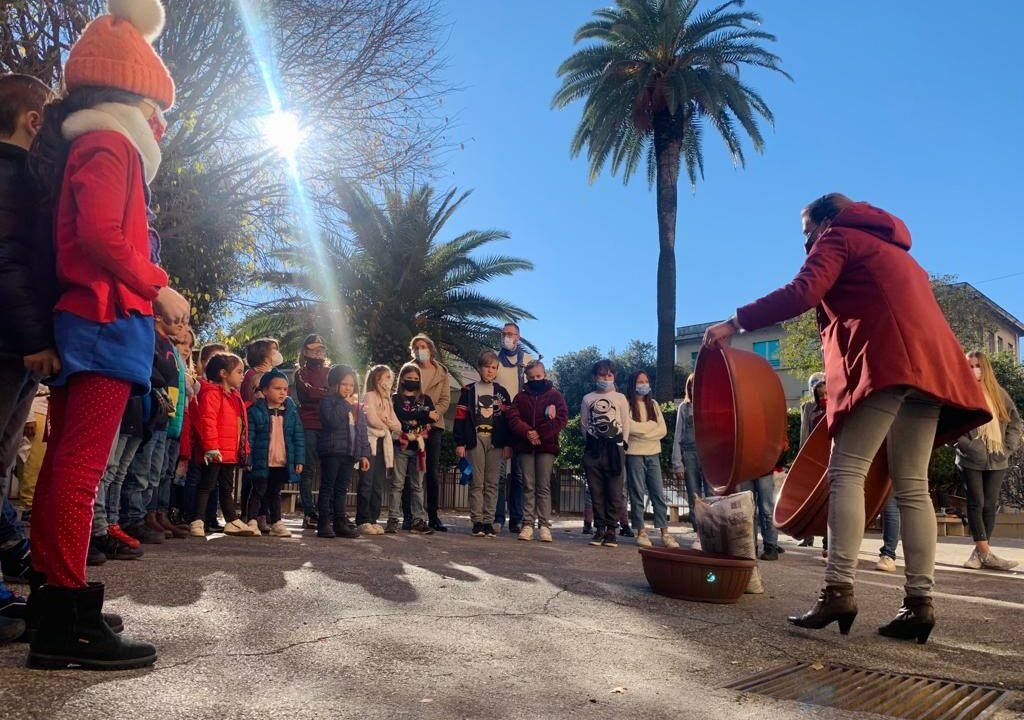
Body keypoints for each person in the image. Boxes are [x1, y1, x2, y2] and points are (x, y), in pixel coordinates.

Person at [703, 193, 989, 645]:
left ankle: (838, 590)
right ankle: (919, 604)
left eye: (806, 233)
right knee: (912, 484)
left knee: (846, 472)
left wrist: (734, 322)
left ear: (824, 221)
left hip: (888, 363)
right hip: (934, 370)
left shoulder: (838, 238)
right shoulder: (898, 254)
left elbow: (803, 291)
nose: (806, 244)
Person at [25, 0, 190, 670]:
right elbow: (99, 234)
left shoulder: (97, 139)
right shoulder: (111, 141)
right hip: (102, 316)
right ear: (133, 95)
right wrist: (158, 284)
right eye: (157, 108)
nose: (160, 124)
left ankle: (53, 604)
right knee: (80, 468)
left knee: (70, 463)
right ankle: (65, 614)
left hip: (94, 317)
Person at [0, 74, 52, 632]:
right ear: (34, 121)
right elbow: (7, 263)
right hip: (11, 339)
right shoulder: (11, 177)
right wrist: (37, 337)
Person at [119, 313, 184, 544]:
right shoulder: (151, 338)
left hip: (164, 416)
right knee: (138, 471)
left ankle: (150, 514)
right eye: (177, 319)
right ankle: (132, 517)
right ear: (158, 316)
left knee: (154, 472)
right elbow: (155, 372)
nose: (181, 325)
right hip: (149, 410)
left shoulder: (168, 344)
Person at [955, 350, 1022, 571]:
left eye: (978, 366)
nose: (974, 370)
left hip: (997, 458)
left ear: (986, 369)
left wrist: (1008, 447)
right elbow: (949, 427)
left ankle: (980, 553)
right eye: (970, 366)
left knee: (990, 505)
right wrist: (969, 446)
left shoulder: (999, 394)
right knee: (976, 502)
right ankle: (985, 553)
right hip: (970, 458)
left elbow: (1014, 422)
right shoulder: (959, 391)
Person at [187, 353, 254, 537]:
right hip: (215, 450)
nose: (242, 376)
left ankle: (231, 519)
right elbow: (207, 420)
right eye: (239, 371)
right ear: (224, 373)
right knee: (207, 485)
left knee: (226, 487)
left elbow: (240, 426)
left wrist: (243, 448)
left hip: (229, 451)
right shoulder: (211, 393)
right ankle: (197, 520)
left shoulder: (234, 396)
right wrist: (210, 446)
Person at [506, 361, 568, 542]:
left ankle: (544, 525)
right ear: (526, 378)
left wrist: (539, 433)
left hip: (546, 447)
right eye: (531, 377)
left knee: (543, 486)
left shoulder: (555, 395)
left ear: (545, 375)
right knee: (528, 485)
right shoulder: (520, 398)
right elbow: (513, 417)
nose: (535, 380)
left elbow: (562, 418)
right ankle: (527, 524)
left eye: (538, 376)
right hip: (525, 447)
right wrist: (527, 433)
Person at [454, 350, 512, 537]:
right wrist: (460, 442)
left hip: (496, 442)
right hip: (474, 440)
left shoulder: (502, 393)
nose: (490, 370)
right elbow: (460, 418)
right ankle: (477, 521)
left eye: (494, 367)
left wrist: (508, 444)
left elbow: (508, 420)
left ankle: (489, 521)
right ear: (479, 368)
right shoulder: (468, 391)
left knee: (492, 483)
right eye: (487, 366)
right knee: (477, 482)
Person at [245, 369, 304, 539]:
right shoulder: (256, 411)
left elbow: (298, 436)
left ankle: (277, 522)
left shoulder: (291, 412)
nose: (282, 392)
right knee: (258, 491)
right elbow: (250, 436)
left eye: (285, 389)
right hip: (262, 460)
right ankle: (252, 521)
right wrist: (248, 458)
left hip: (281, 460)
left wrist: (299, 460)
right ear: (264, 391)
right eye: (277, 388)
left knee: (275, 492)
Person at [581, 359, 631, 549]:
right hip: (594, 449)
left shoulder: (620, 398)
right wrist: (592, 442)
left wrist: (622, 444)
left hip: (615, 448)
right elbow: (584, 424)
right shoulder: (588, 398)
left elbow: (626, 423)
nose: (606, 378)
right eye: (602, 375)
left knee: (614, 491)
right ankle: (599, 529)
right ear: (595, 377)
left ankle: (612, 530)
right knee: (596, 491)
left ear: (614, 377)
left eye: (609, 375)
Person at [624, 371, 678, 549]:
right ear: (633, 384)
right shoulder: (626, 404)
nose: (644, 384)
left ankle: (665, 532)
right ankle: (640, 531)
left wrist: (641, 431)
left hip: (653, 453)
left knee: (658, 494)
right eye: (640, 381)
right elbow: (628, 427)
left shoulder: (653, 404)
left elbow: (662, 430)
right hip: (634, 454)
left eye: (646, 381)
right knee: (637, 493)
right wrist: (649, 429)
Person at [318, 365, 369, 539]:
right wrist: (345, 404)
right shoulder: (328, 401)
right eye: (344, 384)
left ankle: (340, 523)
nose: (348, 388)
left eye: (351, 385)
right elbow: (332, 420)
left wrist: (363, 454)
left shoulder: (356, 406)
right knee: (327, 488)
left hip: (349, 453)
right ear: (334, 384)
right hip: (332, 451)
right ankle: (324, 523)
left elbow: (361, 431)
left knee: (341, 490)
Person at [409, 334, 450, 531]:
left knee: (432, 472)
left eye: (423, 346)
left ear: (430, 349)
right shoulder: (408, 370)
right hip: (411, 426)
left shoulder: (441, 372)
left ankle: (433, 516)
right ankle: (410, 516)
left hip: (435, 427)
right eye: (416, 347)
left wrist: (433, 416)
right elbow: (402, 396)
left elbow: (445, 399)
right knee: (412, 472)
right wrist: (417, 417)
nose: (420, 349)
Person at [388, 364, 435, 535]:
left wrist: (417, 419)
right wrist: (419, 417)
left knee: (417, 485)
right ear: (402, 379)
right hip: (401, 445)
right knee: (397, 484)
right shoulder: (395, 399)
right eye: (410, 379)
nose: (413, 382)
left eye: (416, 379)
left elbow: (432, 417)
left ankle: (419, 520)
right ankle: (393, 518)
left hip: (419, 447)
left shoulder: (425, 399)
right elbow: (397, 417)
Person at [494, 322, 532, 533]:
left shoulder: (527, 361)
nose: (508, 337)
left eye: (512, 334)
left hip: (520, 422)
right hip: (499, 422)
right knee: (499, 474)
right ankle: (498, 517)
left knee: (518, 474)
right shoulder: (494, 361)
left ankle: (516, 518)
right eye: (505, 334)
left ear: (519, 337)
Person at [357, 365, 399, 535]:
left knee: (378, 485)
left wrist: (387, 423)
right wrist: (386, 423)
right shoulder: (369, 396)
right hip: (371, 444)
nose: (390, 381)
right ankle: (363, 519)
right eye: (386, 377)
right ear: (377, 379)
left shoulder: (388, 400)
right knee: (366, 483)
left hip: (384, 444)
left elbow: (397, 425)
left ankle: (373, 519)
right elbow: (372, 419)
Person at [294, 334, 330, 530]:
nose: (318, 352)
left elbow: (336, 393)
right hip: (308, 424)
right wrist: (324, 392)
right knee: (307, 470)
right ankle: (309, 512)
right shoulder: (300, 373)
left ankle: (326, 510)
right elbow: (306, 394)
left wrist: (321, 392)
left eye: (321, 348)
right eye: (313, 348)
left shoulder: (330, 372)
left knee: (328, 470)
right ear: (305, 351)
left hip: (328, 425)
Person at [670, 374, 711, 537]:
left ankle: (710, 529)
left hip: (709, 455)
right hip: (690, 454)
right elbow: (678, 435)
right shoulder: (684, 407)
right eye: (692, 384)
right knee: (694, 495)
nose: (696, 387)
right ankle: (698, 531)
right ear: (689, 387)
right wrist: (677, 463)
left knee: (712, 495)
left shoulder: (711, 406)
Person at [798, 372, 828, 550]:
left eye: (826, 393)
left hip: (830, 458)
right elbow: (804, 433)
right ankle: (807, 536)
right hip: (814, 458)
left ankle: (827, 541)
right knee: (808, 499)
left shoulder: (835, 404)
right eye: (820, 394)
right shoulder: (808, 408)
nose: (824, 397)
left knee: (827, 502)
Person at [241, 337, 282, 404]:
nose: (277, 352)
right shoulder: (251, 375)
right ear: (262, 353)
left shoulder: (274, 372)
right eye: (273, 348)